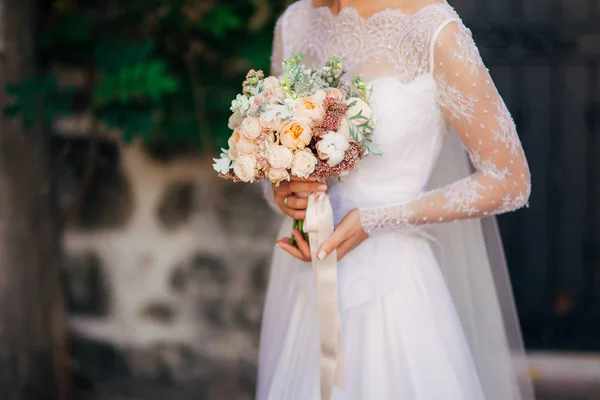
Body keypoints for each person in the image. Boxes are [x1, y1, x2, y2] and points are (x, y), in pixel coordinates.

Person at [257, 0, 536, 399]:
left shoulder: (432, 29)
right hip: (305, 278)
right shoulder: (296, 22)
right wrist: (284, 193)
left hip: (392, 290)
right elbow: (280, 155)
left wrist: (376, 220)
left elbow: (510, 180)